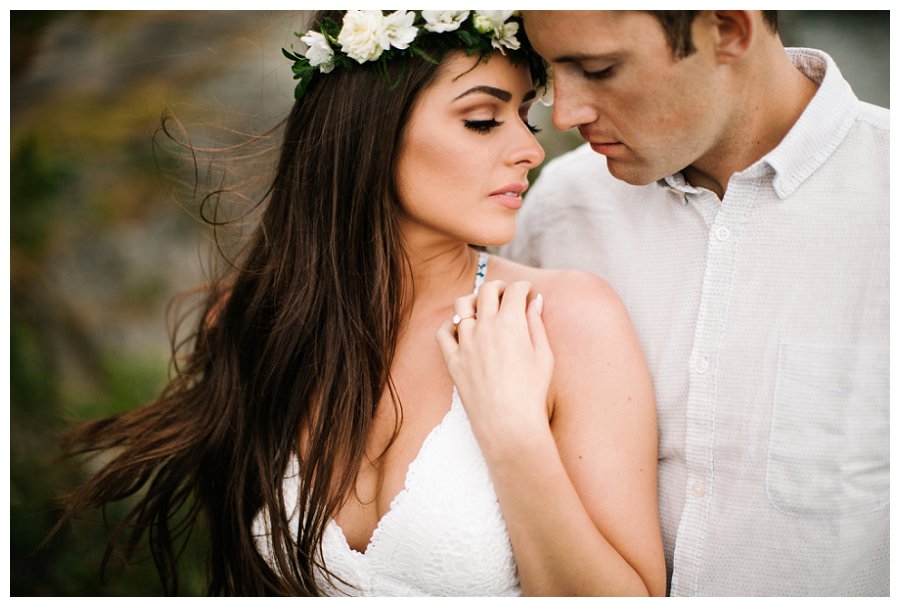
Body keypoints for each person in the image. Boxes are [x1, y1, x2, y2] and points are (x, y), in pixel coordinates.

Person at [54, 10, 665, 597]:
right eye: (483, 120)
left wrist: (515, 436)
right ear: (368, 129)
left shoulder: (562, 321)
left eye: (524, 119)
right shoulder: (259, 320)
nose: (530, 151)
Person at [504, 10, 889, 596]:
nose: (565, 113)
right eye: (553, 72)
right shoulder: (558, 210)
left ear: (729, 30)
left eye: (600, 69)